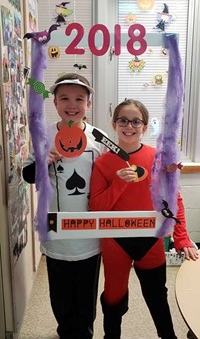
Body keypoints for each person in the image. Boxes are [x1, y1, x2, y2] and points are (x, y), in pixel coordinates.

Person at [89, 99, 199, 339]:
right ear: (114, 124)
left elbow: (174, 201)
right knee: (113, 296)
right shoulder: (102, 163)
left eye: (136, 121)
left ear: (145, 127)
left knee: (157, 293)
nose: (129, 126)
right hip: (116, 240)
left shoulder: (159, 159)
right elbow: (97, 208)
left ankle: (168, 336)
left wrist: (182, 239)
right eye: (123, 120)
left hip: (151, 239)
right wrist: (119, 182)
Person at [22, 73, 108, 339]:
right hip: (56, 235)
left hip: (89, 237)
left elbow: (115, 175)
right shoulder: (43, 136)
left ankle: (84, 333)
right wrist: (41, 161)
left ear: (89, 104)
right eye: (65, 98)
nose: (72, 104)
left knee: (86, 297)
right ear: (55, 103)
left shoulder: (99, 138)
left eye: (79, 99)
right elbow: (27, 175)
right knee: (60, 296)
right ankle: (64, 330)